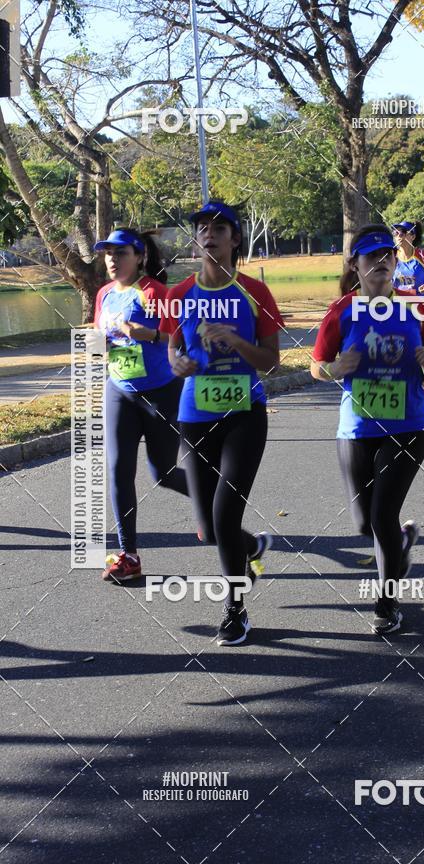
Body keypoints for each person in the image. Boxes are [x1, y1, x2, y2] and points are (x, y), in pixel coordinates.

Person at [311, 225, 424, 635]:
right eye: (371, 257)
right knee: (363, 523)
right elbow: (317, 366)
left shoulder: (416, 307)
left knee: (383, 513)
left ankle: (387, 603)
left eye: (387, 255)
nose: (382, 262)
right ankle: (400, 546)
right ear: (355, 265)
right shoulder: (342, 311)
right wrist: (337, 368)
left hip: (408, 426)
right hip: (356, 426)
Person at [160, 201, 284, 646]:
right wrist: (178, 363)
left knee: (226, 514)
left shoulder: (254, 293)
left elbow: (271, 362)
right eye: (201, 228)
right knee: (210, 526)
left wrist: (234, 339)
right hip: (195, 416)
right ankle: (250, 549)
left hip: (244, 415)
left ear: (234, 239)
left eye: (219, 228)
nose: (208, 234)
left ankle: (235, 610)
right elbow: (174, 348)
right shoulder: (179, 294)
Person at [94, 228, 188, 583]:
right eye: (107, 254)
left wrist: (147, 334)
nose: (112, 260)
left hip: (161, 392)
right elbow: (102, 336)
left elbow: (181, 333)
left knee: (162, 474)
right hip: (119, 390)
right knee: (119, 470)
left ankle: (216, 499)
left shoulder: (154, 292)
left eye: (120, 253)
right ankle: (128, 555)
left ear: (139, 256)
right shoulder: (104, 294)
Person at [391, 220, 424, 297]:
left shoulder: (423, 256)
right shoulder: (391, 256)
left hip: (421, 304)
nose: (399, 235)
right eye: (396, 233)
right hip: (399, 305)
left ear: (413, 236)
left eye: (403, 232)